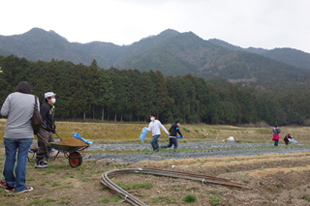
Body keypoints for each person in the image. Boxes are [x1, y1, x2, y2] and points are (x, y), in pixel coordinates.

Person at [0, 81, 36, 194]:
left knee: (9, 158)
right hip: (26, 134)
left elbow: (3, 112)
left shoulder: (11, 96)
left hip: (10, 133)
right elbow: (37, 115)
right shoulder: (34, 98)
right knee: (22, 158)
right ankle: (20, 186)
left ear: (17, 88)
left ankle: (9, 185)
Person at [35, 92, 56, 168]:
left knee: (51, 144)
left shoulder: (52, 106)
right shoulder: (44, 107)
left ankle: (42, 159)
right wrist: (37, 128)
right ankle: (38, 162)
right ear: (48, 99)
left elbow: (51, 118)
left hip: (49, 129)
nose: (54, 99)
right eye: (53, 97)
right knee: (44, 145)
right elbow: (41, 118)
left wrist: (53, 127)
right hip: (43, 128)